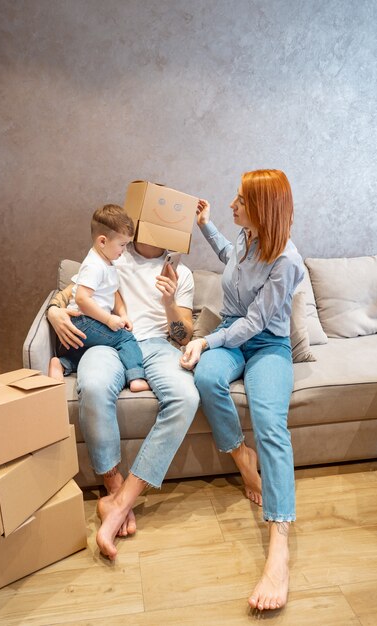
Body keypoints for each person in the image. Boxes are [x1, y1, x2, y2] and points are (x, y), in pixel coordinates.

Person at [180, 169, 304, 612]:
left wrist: (204, 339)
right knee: (207, 377)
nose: (232, 203)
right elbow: (232, 255)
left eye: (240, 200)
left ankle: (280, 544)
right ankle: (241, 459)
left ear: (261, 209)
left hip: (266, 342)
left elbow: (256, 323)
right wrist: (207, 225)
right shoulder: (249, 239)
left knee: (271, 423)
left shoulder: (287, 260)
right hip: (233, 332)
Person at [47, 234, 200, 560]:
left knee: (187, 397)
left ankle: (121, 502)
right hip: (107, 341)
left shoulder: (179, 271)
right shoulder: (112, 254)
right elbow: (68, 294)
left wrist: (170, 303)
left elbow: (184, 335)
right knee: (93, 386)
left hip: (158, 346)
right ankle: (113, 488)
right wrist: (53, 312)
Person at [49, 204, 149, 392]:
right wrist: (109, 319)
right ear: (102, 241)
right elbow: (81, 299)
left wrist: (123, 313)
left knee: (86, 352)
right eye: (122, 245)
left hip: (84, 324)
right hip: (82, 320)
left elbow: (113, 292)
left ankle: (61, 364)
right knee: (125, 339)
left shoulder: (107, 262)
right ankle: (136, 377)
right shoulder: (94, 265)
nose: (124, 250)